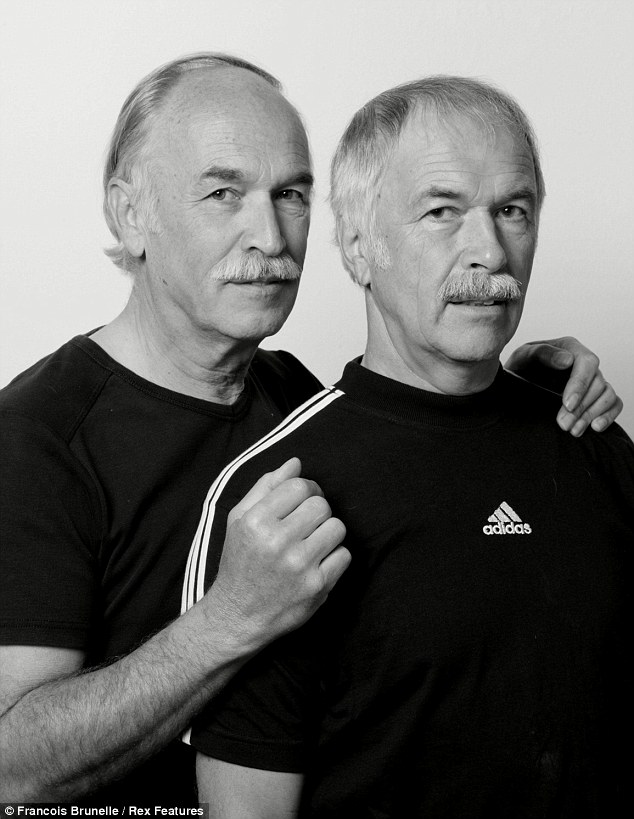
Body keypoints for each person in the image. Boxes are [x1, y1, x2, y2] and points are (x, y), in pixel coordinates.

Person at [0, 54, 621, 806]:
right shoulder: (37, 437)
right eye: (223, 193)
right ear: (131, 214)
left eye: (291, 195)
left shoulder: (292, 392)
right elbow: (7, 763)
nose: (270, 236)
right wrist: (227, 620)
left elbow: (412, 433)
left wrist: (518, 384)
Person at [189, 76, 634, 817]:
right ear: (359, 247)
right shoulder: (277, 495)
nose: (489, 251)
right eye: (441, 211)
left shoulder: (591, 440)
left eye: (513, 211)